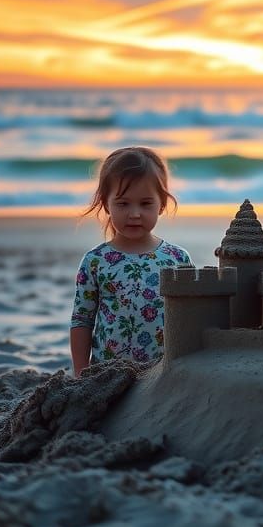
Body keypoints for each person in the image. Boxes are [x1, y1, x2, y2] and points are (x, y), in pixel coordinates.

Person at [70, 146, 192, 376]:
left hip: (161, 375)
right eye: (123, 204)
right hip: (106, 376)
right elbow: (82, 320)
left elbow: (189, 318)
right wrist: (80, 374)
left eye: (145, 204)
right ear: (106, 204)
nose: (134, 213)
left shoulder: (177, 259)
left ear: (162, 204)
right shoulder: (95, 261)